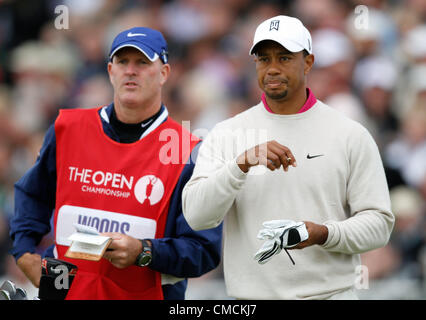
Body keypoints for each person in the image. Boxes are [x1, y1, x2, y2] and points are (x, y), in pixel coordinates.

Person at [182, 15, 395, 300]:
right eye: (263, 58)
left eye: (284, 58)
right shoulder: (226, 134)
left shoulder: (350, 134)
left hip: (330, 295)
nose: (272, 69)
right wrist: (240, 165)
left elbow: (379, 225)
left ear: (308, 62)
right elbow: (196, 216)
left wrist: (323, 233)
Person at [9, 27, 222, 300]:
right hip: (63, 292)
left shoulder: (188, 151)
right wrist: (24, 253)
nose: (130, 71)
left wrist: (144, 252)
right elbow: (32, 193)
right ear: (110, 70)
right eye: (122, 62)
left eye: (143, 62)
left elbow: (203, 251)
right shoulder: (68, 128)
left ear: (164, 73)